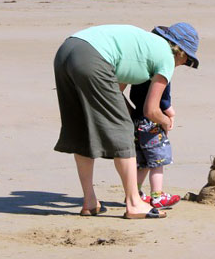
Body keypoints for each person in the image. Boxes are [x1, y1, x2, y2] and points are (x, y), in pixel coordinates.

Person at [52, 23, 199, 219]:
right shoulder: (166, 58)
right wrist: (165, 120)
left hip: (67, 50)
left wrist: (127, 112)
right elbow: (151, 110)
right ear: (180, 52)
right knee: (123, 131)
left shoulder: (144, 46)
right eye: (188, 61)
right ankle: (134, 202)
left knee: (83, 128)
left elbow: (115, 92)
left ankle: (90, 201)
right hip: (93, 58)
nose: (183, 65)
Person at [130, 78, 181, 208]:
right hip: (152, 124)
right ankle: (157, 196)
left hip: (137, 121)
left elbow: (133, 95)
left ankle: (134, 193)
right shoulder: (162, 73)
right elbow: (164, 100)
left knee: (143, 162)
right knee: (158, 161)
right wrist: (171, 113)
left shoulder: (140, 73)